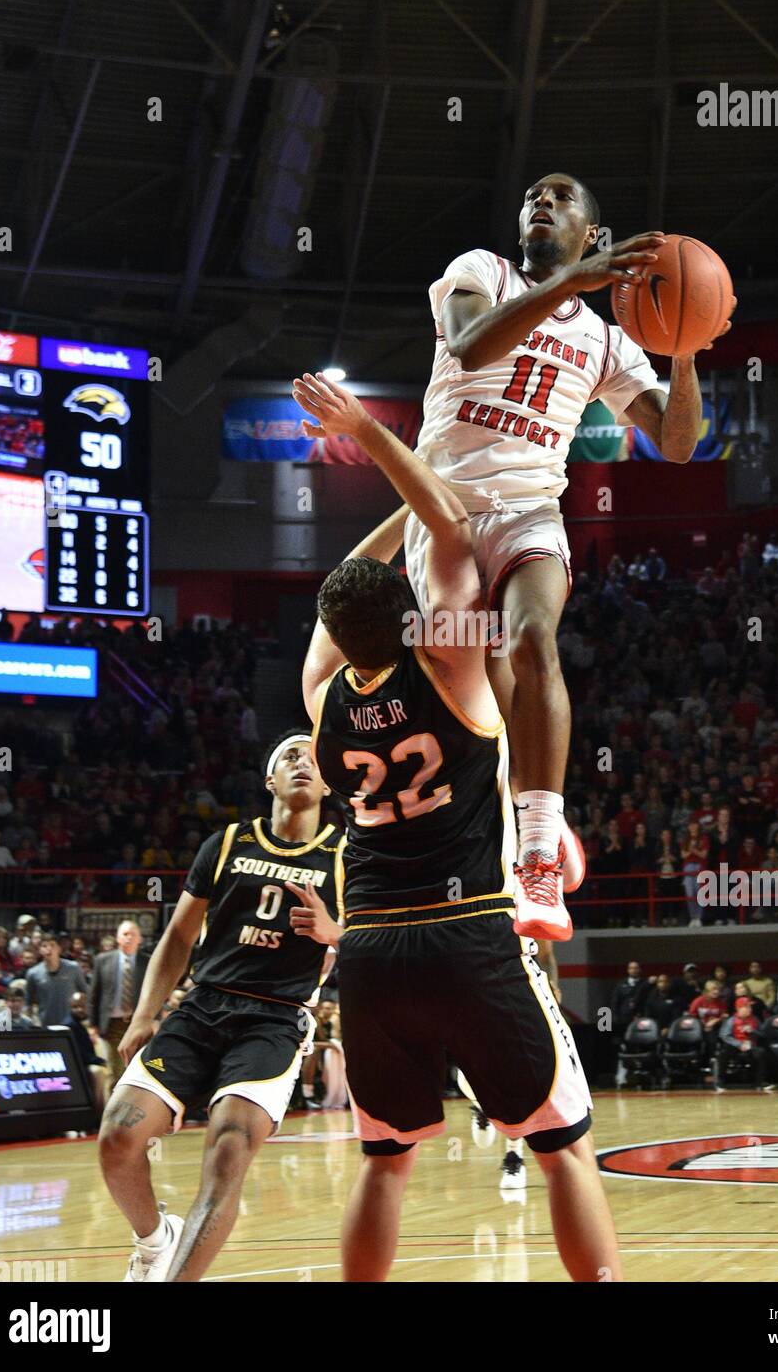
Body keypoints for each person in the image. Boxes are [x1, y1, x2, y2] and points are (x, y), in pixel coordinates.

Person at [295, 371, 618, 1283]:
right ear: (409, 619)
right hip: (469, 930)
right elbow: (445, 524)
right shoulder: (448, 667)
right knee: (563, 1151)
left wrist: (383, 532)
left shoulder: (318, 701)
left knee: (385, 1166)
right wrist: (371, 435)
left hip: (371, 954)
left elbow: (342, 608)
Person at [404, 174, 733, 936]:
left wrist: (682, 350)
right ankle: (521, 815)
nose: (540, 203)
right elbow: (469, 344)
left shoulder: (609, 337)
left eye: (560, 197)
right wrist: (570, 286)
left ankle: (541, 858)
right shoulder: (479, 272)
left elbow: (678, 444)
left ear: (593, 230)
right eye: (530, 196)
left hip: (530, 512)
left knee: (531, 639)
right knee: (467, 688)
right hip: (445, 511)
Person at [97, 729, 344, 1283]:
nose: (302, 762)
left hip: (275, 1020)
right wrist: (143, 1015)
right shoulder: (228, 843)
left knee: (229, 1147)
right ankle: (155, 1240)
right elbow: (179, 937)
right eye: (289, 756)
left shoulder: (347, 857)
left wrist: (335, 932)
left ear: (330, 781)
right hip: (202, 1008)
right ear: (269, 779)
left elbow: (382, 940)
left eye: (313, 757)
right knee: (117, 1135)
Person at [88, 920, 149, 1091]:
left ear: (140, 939)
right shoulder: (103, 960)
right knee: (115, 1072)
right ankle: (111, 1116)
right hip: (112, 1024)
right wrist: (92, 1025)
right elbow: (94, 994)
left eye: (132, 934)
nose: (129, 937)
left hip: (138, 1023)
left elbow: (155, 992)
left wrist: (155, 1019)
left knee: (139, 1071)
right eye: (125, 934)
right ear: (117, 938)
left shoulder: (148, 962)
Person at [24, 934, 86, 1027]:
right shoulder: (33, 973)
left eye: (52, 945)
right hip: (46, 1025)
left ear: (59, 949)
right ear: (40, 950)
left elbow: (85, 992)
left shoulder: (73, 968)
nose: (49, 948)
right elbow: (28, 1002)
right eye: (44, 945)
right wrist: (31, 1023)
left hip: (71, 1024)